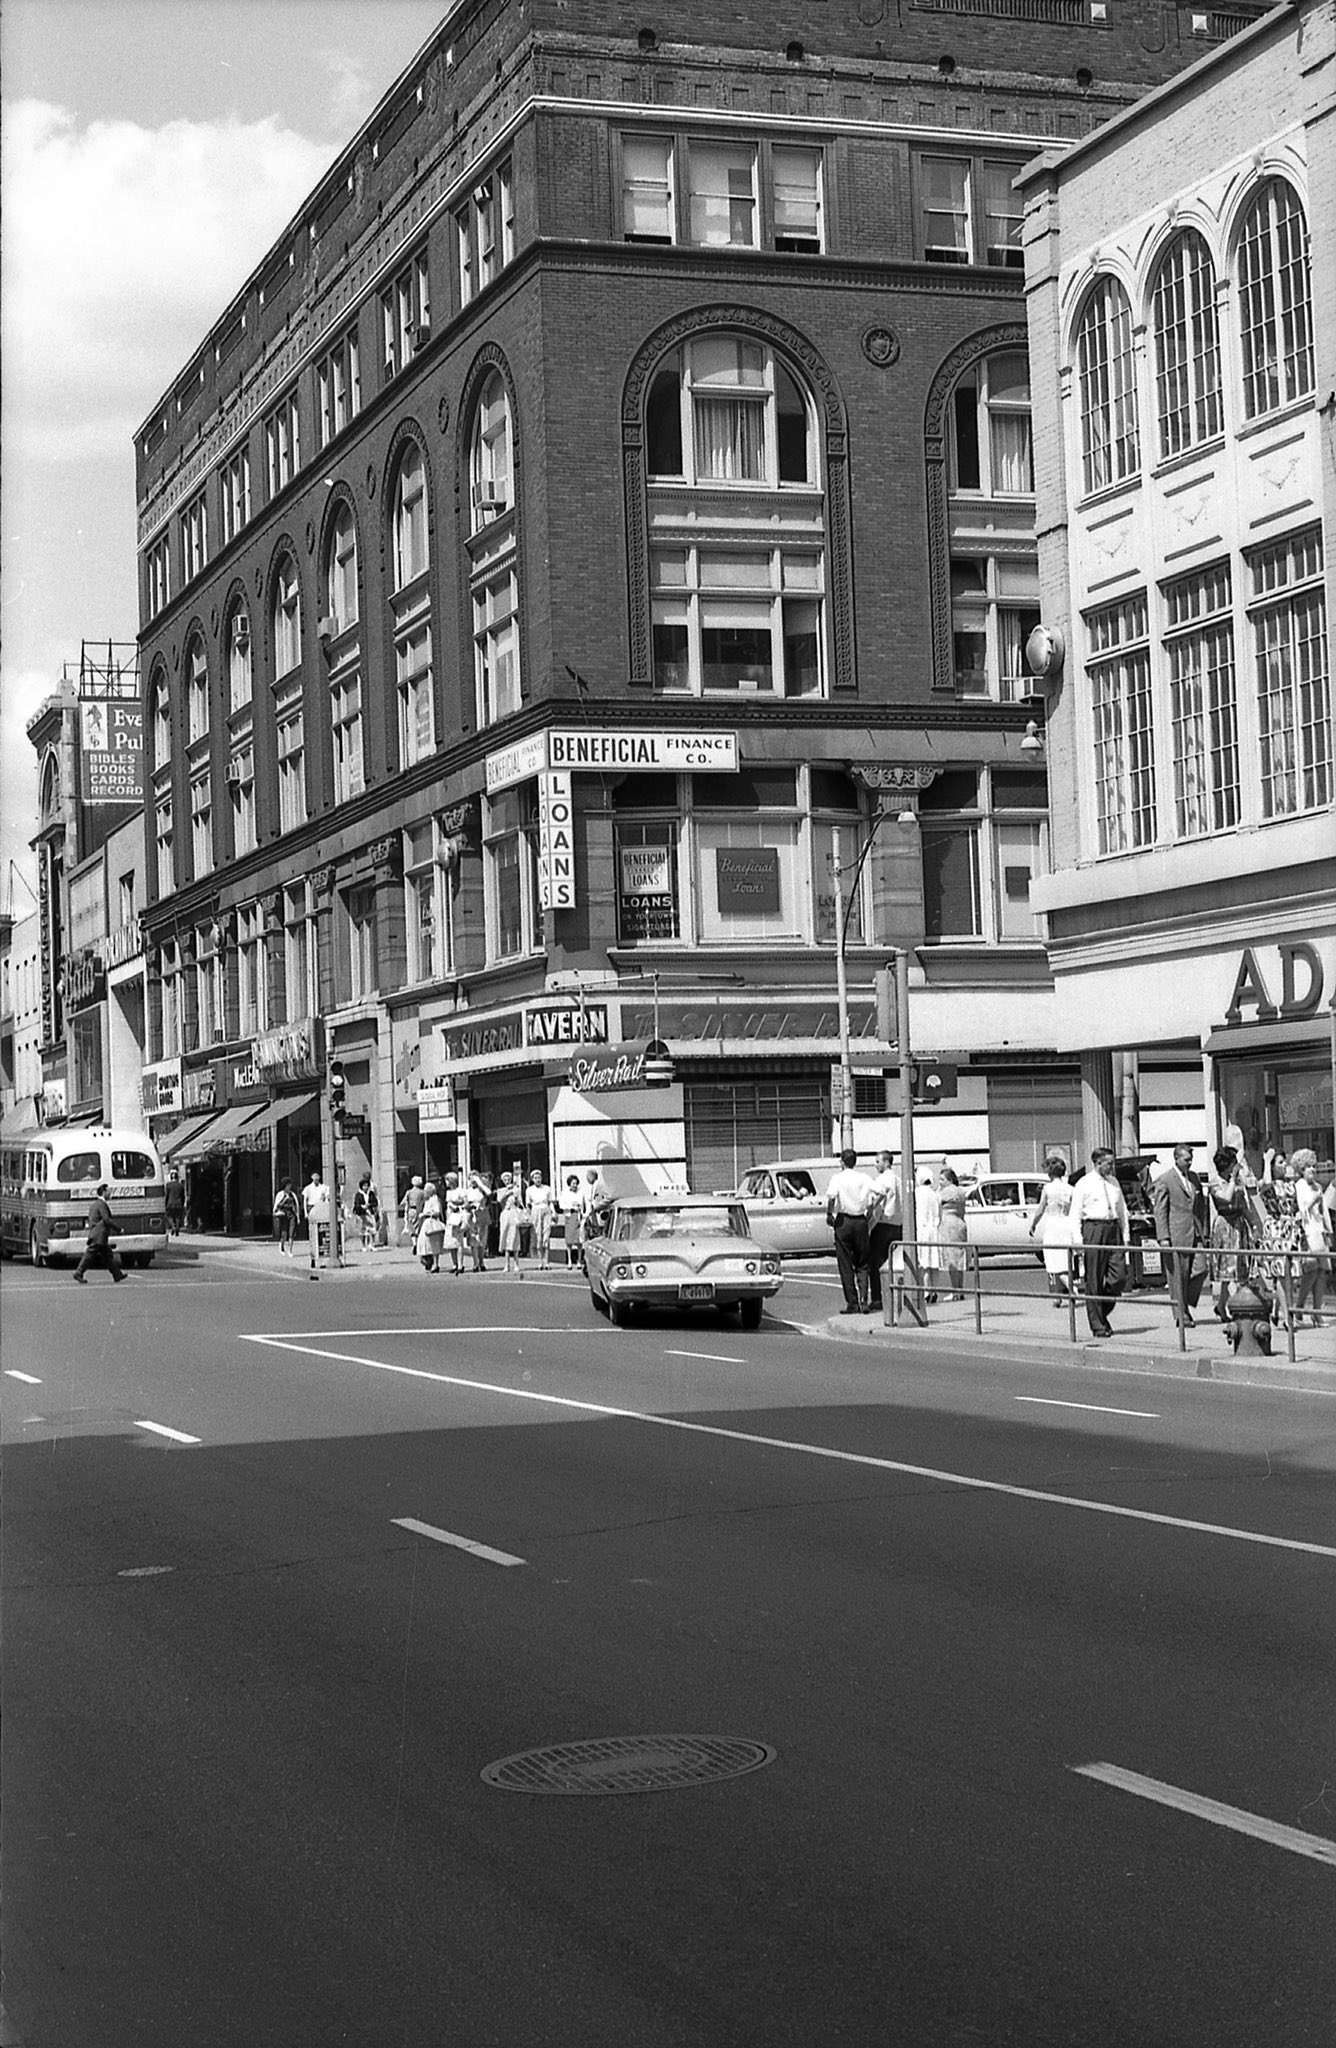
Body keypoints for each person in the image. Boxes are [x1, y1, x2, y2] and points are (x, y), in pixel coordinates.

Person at [1069, 1148, 1130, 1338]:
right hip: (1094, 1228)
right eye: (1108, 1163)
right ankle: (1097, 1325)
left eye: (1113, 1163)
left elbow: (1122, 1210)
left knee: (1119, 1277)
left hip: (1113, 1229)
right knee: (1094, 1279)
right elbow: (1075, 1214)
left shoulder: (1114, 1182)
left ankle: (1100, 1309)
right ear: (1097, 1163)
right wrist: (1078, 1241)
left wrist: (1125, 1235)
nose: (1112, 1167)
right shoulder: (1084, 1183)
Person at [1150, 1145, 1207, 1328]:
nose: (1189, 1163)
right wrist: (1163, 1237)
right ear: (1176, 1159)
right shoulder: (1165, 1180)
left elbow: (1200, 1206)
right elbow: (1160, 1210)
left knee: (1201, 1268)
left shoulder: (1194, 1178)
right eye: (1186, 1160)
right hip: (1176, 1234)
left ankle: (1185, 1302)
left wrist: (1203, 1231)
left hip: (1195, 1232)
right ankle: (1181, 1314)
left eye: (1191, 1160)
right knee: (1178, 1276)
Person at [825, 1147, 877, 1314]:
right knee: (863, 1262)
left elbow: (832, 1197)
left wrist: (829, 1213)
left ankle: (852, 1302)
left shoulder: (837, 1178)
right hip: (860, 1220)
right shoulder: (864, 1177)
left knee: (845, 1263)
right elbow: (879, 1191)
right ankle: (864, 1299)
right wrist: (869, 1209)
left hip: (844, 1220)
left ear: (842, 1162)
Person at [1206, 1144, 1252, 1324]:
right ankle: (1227, 1306)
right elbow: (1225, 1197)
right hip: (1225, 1224)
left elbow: (1244, 1203)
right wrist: (1232, 1180)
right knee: (1227, 1271)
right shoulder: (1215, 1182)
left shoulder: (1238, 1181)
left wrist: (1253, 1223)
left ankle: (1229, 1305)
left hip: (1239, 1223)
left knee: (1240, 1269)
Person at [1028, 1156, 1076, 1305]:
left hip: (1053, 1225)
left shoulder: (1048, 1189)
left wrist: (1033, 1224)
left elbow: (1041, 1209)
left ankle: (1069, 1290)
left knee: (1053, 1262)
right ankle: (1061, 1295)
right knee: (1066, 1262)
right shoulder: (1071, 1189)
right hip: (1067, 1225)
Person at [1291, 1148, 1331, 1326]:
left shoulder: (1318, 1187)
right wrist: (1313, 1201)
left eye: (1314, 1166)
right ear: (1301, 1169)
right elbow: (1301, 1209)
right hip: (1308, 1231)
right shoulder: (1299, 1186)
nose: (1312, 1170)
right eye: (1308, 1167)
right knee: (1311, 1270)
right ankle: (1300, 1307)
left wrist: (1328, 1230)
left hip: (1319, 1230)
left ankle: (1317, 1312)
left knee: (1322, 1271)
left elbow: (1324, 1212)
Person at [864, 1150, 902, 1314]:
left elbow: (877, 1198)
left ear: (886, 1162)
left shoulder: (883, 1179)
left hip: (883, 1224)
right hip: (897, 1225)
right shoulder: (899, 1179)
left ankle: (878, 1298)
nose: (875, 1165)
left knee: (876, 1263)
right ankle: (893, 1296)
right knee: (893, 1263)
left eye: (878, 1161)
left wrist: (870, 1213)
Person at [73, 1182, 125, 1284]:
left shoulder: (94, 1204)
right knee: (90, 1255)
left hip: (97, 1234)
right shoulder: (101, 1205)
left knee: (107, 1256)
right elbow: (106, 1219)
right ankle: (78, 1272)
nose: (110, 1193)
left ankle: (117, 1274)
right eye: (109, 1191)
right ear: (104, 1192)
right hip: (99, 1235)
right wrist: (118, 1229)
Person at [935, 1167, 969, 1300]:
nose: (940, 1182)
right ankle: (960, 1289)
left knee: (951, 1259)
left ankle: (955, 1290)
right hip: (960, 1223)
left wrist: (939, 1189)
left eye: (942, 1179)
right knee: (959, 1257)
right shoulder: (961, 1191)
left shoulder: (947, 1191)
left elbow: (936, 1200)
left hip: (949, 1225)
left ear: (949, 1180)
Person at [914, 1165, 942, 1305]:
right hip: (934, 1230)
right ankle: (935, 1290)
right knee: (934, 1263)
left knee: (924, 1262)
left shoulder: (917, 1193)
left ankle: (926, 1292)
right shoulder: (934, 1194)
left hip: (922, 1230)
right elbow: (939, 1214)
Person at [498, 1172, 528, 1275]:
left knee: (515, 1237)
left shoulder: (517, 1190)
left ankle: (516, 1263)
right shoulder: (501, 1190)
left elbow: (520, 1203)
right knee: (505, 1237)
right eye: (505, 1179)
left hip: (514, 1213)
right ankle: (506, 1264)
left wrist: (516, 1198)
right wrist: (507, 1192)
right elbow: (500, 1201)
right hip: (505, 1214)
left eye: (508, 1179)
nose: (507, 1181)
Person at [442, 1172, 471, 1275]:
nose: (446, 1183)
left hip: (458, 1216)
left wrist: (457, 1205)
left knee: (458, 1242)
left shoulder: (460, 1191)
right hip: (450, 1218)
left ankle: (460, 1265)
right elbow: (448, 1204)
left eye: (447, 1180)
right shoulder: (448, 1192)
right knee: (451, 1243)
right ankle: (454, 1264)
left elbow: (466, 1203)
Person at [415, 1179, 446, 1273]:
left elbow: (437, 1212)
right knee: (424, 1244)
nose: (424, 1192)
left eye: (426, 1190)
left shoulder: (434, 1199)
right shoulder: (428, 1200)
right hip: (426, 1223)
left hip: (432, 1222)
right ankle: (428, 1261)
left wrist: (425, 1214)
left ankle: (435, 1264)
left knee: (433, 1244)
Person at [527, 1170, 555, 1266]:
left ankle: (546, 1261)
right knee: (538, 1235)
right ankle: (540, 1261)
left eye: (539, 1177)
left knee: (546, 1234)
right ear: (532, 1179)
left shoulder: (547, 1188)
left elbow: (550, 1202)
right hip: (536, 1210)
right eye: (535, 1178)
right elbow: (528, 1204)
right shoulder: (529, 1190)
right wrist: (529, 1216)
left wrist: (553, 1212)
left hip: (545, 1209)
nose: (537, 1180)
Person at [272, 1176, 301, 1256]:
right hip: (283, 1215)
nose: (289, 1186)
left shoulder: (292, 1194)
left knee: (291, 1233)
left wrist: (297, 1216)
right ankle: (281, 1246)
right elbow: (277, 1205)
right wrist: (285, 1199)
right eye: (288, 1185)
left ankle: (290, 1250)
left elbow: (296, 1205)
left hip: (292, 1215)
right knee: (284, 1233)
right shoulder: (280, 1194)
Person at [561, 1173, 584, 1267]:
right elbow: (562, 1205)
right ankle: (569, 1260)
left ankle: (579, 1260)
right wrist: (571, 1207)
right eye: (573, 1183)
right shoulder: (565, 1193)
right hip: (569, 1216)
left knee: (579, 1240)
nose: (574, 1185)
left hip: (578, 1216)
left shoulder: (580, 1192)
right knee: (569, 1240)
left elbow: (583, 1203)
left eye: (576, 1183)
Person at [399, 1175, 425, 1248]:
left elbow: (402, 1203)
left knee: (411, 1227)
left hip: (411, 1210)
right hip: (420, 1211)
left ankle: (414, 1243)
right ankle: (418, 1243)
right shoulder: (422, 1192)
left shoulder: (409, 1192)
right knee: (418, 1227)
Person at [164, 1167, 185, 1237]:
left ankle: (173, 1226)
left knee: (169, 1216)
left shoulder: (168, 1185)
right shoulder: (180, 1185)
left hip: (170, 1203)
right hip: (179, 1203)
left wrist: (165, 1204)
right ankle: (177, 1228)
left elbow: (167, 1195)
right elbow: (183, 1196)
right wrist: (183, 1203)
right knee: (178, 1217)